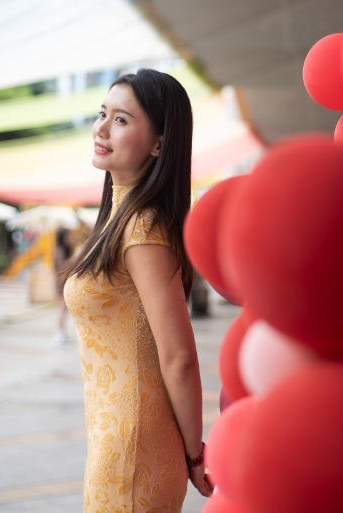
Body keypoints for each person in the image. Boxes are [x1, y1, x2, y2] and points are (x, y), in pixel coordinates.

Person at [62, 69, 213, 512]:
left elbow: (179, 356)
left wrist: (194, 454)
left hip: (133, 449)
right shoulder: (119, 216)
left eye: (122, 120)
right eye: (102, 113)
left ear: (159, 143)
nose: (102, 128)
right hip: (116, 440)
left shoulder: (142, 227)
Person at [54, 227, 75, 344]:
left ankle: (61, 332)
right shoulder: (60, 251)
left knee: (63, 310)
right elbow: (62, 267)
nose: (70, 238)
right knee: (62, 309)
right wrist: (74, 258)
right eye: (68, 236)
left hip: (62, 283)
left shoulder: (64, 250)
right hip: (61, 284)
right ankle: (59, 332)